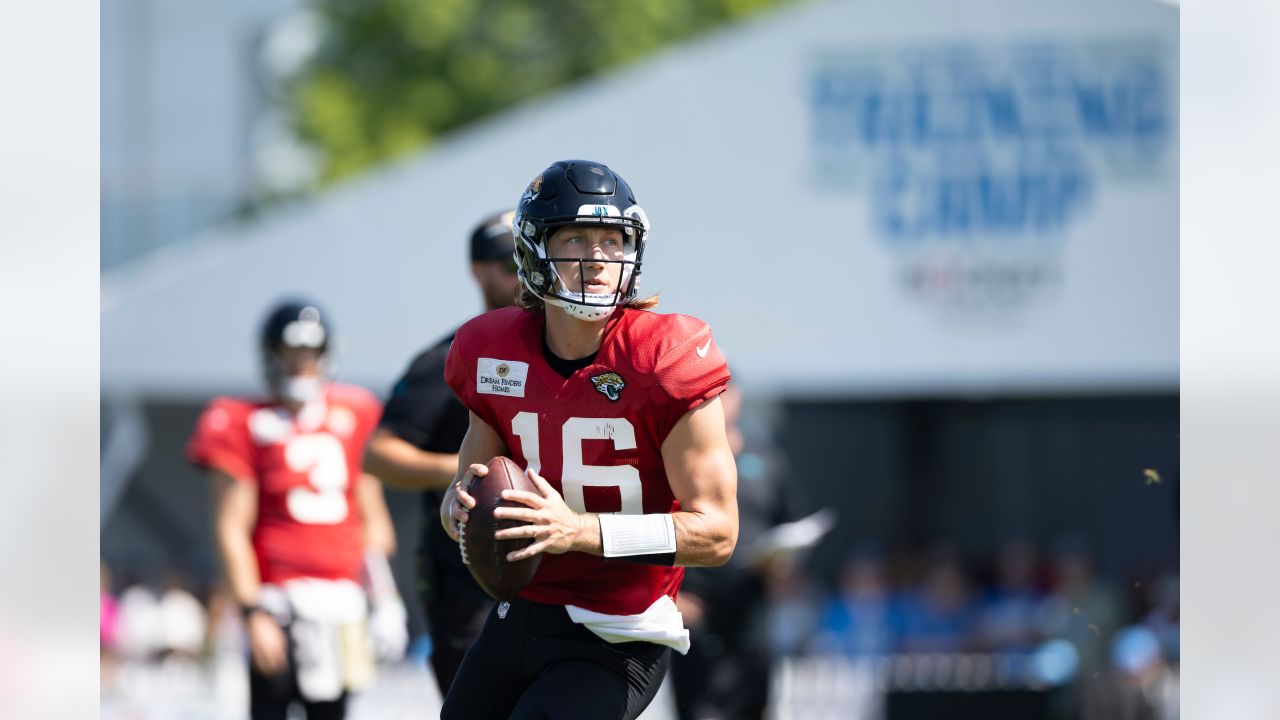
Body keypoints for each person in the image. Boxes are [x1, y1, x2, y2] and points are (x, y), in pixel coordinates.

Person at [439, 159, 740, 720]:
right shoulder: (491, 349)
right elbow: (465, 489)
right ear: (532, 250)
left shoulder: (664, 355)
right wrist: (458, 510)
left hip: (620, 628)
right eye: (576, 237)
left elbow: (718, 534)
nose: (597, 258)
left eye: (612, 239)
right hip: (520, 612)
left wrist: (576, 531)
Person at [187, 299, 408, 720]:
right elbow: (230, 528)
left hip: (341, 602)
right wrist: (252, 612)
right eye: (291, 355)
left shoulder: (356, 410)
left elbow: (371, 515)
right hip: (276, 601)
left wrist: (385, 598)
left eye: (309, 354)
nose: (301, 365)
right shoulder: (240, 419)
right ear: (271, 356)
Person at [362, 211, 521, 696]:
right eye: (507, 263)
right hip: (465, 573)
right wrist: (475, 475)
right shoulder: (452, 357)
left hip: (545, 569)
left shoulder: (562, 351)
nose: (522, 274)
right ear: (479, 271)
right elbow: (379, 454)